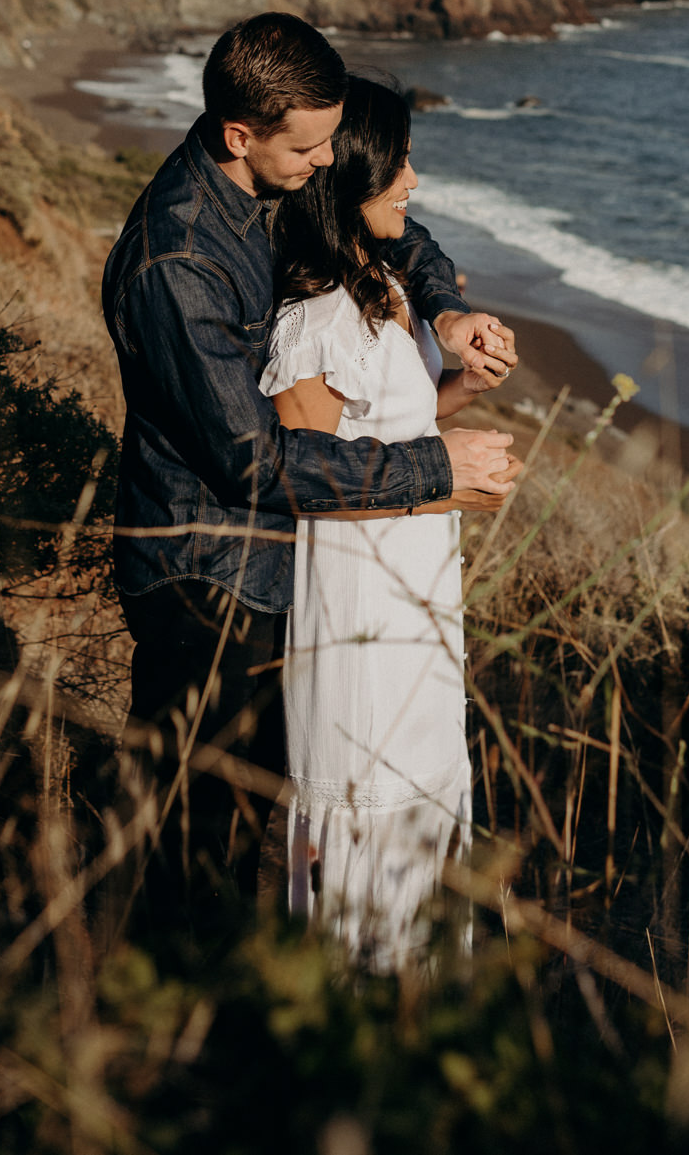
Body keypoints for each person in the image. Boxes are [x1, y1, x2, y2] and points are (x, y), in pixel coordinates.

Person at [101, 13, 518, 929]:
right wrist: (431, 468)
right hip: (200, 574)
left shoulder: (269, 175)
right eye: (312, 144)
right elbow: (254, 458)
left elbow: (389, 226)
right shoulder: (177, 262)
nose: (328, 161)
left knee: (260, 808)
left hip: (274, 567)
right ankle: (162, 1028)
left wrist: (446, 315)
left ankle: (251, 999)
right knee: (194, 829)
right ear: (240, 134)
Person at [263, 76, 500, 965]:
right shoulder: (311, 322)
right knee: (370, 816)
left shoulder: (384, 284)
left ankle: (414, 1017)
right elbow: (310, 480)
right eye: (398, 164)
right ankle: (354, 1023)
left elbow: (385, 436)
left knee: (427, 790)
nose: (415, 181)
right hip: (361, 618)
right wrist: (450, 484)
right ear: (348, 180)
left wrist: (461, 391)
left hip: (416, 606)